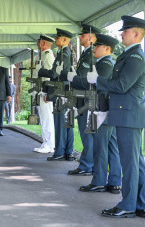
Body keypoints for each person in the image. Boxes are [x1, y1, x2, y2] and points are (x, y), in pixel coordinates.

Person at [87, 16, 145, 219]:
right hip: (126, 115)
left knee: (130, 162)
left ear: (136, 34)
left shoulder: (135, 58)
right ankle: (142, 203)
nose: (121, 33)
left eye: (126, 30)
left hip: (129, 116)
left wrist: (98, 80)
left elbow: (122, 85)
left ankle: (129, 204)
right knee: (135, 162)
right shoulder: (129, 55)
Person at [69, 34, 121, 194]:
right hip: (105, 109)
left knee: (101, 147)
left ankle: (99, 181)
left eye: (98, 46)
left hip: (101, 109)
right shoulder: (103, 63)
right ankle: (114, 182)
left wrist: (74, 79)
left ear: (107, 48)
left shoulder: (105, 64)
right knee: (111, 146)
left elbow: (92, 84)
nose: (94, 49)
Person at [61, 24, 99, 175]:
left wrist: (73, 77)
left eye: (82, 35)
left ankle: (87, 166)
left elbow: (83, 77)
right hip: (82, 98)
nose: (80, 37)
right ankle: (87, 164)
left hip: (87, 98)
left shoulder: (91, 54)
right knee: (85, 134)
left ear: (90, 37)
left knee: (87, 134)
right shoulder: (86, 53)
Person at [38, 28, 74, 161]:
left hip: (61, 91)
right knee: (66, 122)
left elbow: (54, 74)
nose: (56, 40)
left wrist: (40, 71)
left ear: (64, 40)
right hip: (64, 90)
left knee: (60, 122)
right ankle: (68, 152)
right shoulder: (62, 52)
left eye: (58, 38)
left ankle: (60, 151)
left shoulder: (63, 53)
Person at [32, 34, 55, 153]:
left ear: (44, 43)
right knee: (43, 117)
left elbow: (51, 76)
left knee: (47, 118)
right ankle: (46, 142)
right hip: (40, 90)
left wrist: (49, 93)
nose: (37, 43)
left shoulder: (48, 56)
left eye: (39, 41)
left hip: (45, 91)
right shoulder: (43, 55)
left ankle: (50, 145)